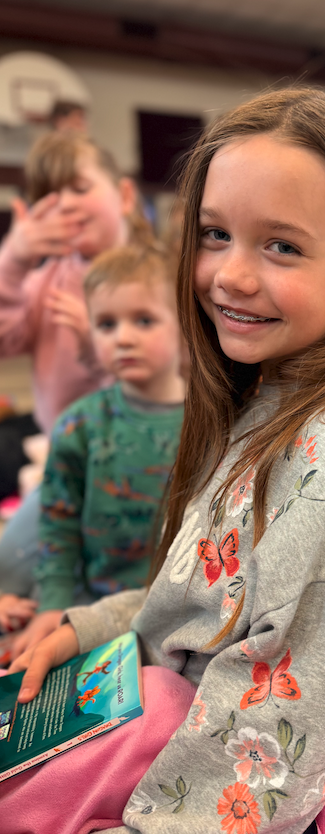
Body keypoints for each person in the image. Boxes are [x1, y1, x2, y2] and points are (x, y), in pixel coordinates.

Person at [2, 88, 325, 834]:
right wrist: (93, 626)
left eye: (282, 246)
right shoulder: (268, 394)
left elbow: (278, 736)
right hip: (171, 710)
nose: (230, 275)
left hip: (226, 775)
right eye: (215, 234)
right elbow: (202, 599)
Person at [0, 131, 154, 615]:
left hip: (141, 473)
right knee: (13, 575)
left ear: (125, 195)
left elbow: (179, 385)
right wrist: (15, 258)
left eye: (79, 187)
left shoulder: (157, 277)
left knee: (107, 594)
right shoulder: (47, 278)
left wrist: (101, 350)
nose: (64, 204)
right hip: (68, 469)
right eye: (50, 195)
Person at [5, 245, 185, 658]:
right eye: (106, 324)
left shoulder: (210, 425)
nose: (123, 337)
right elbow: (57, 524)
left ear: (184, 325)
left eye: (143, 320)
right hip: (88, 605)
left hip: (173, 612)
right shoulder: (79, 426)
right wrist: (52, 605)